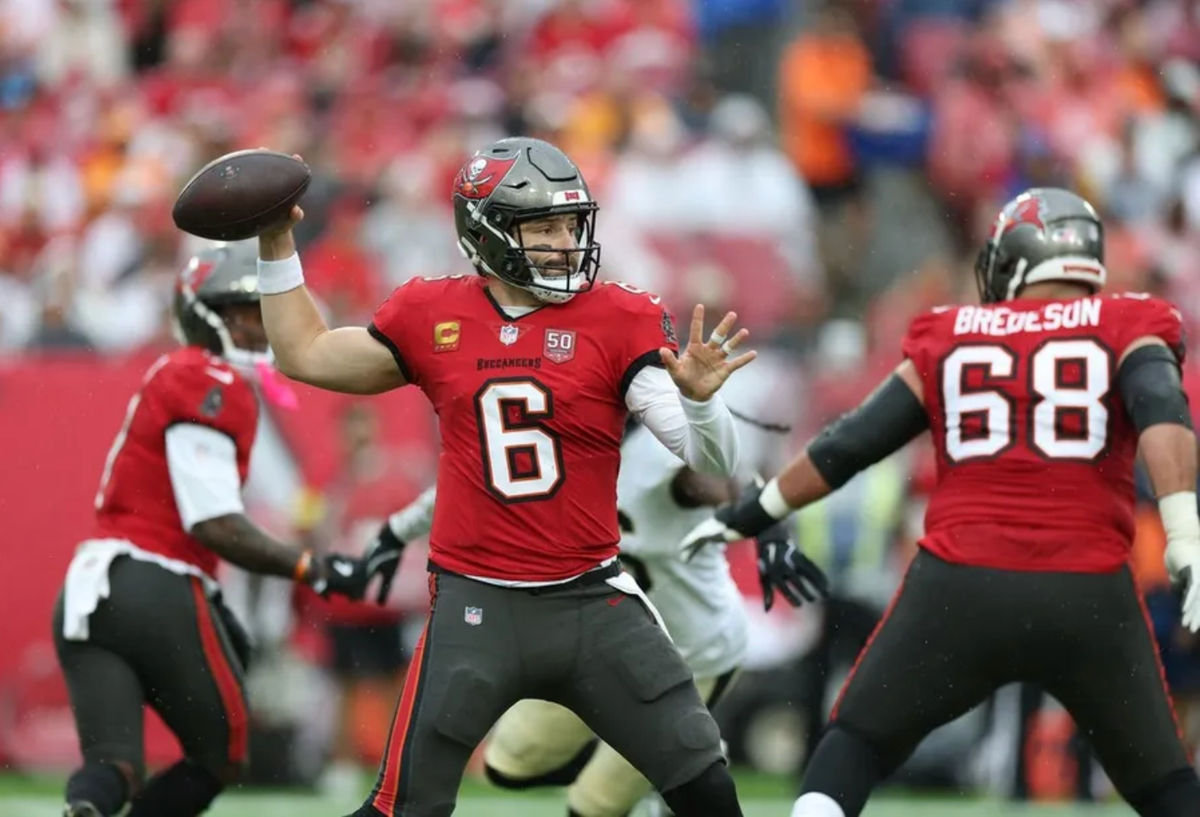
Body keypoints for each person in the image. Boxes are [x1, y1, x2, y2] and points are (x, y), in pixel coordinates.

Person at [255, 137, 754, 817]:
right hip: (474, 608)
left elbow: (713, 460)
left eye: (569, 224)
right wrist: (275, 242)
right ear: (486, 231)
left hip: (593, 605)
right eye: (542, 226)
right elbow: (304, 352)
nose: (563, 242)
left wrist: (700, 400)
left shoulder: (618, 316)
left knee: (708, 790)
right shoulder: (433, 314)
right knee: (403, 807)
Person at [682, 188, 1200, 817]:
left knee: (855, 742)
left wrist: (754, 510)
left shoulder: (953, 331)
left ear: (1014, 257)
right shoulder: (1130, 322)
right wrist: (1184, 532)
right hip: (1086, 587)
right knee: (1165, 784)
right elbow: (1162, 410)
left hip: (960, 584)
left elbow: (852, 442)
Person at [363, 420, 828, 817]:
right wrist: (394, 532)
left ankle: (667, 760)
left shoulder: (660, 452)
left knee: (592, 807)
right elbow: (468, 478)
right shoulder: (544, 435)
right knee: (507, 764)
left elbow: (729, 480)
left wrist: (770, 532)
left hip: (690, 650)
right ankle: (640, 744)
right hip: (597, 639)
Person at [54, 241, 368, 817]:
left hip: (87, 593)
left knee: (111, 767)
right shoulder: (208, 378)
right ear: (206, 315)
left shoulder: (178, 372)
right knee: (220, 756)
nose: (261, 326)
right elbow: (214, 522)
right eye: (245, 313)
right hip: (155, 581)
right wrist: (308, 568)